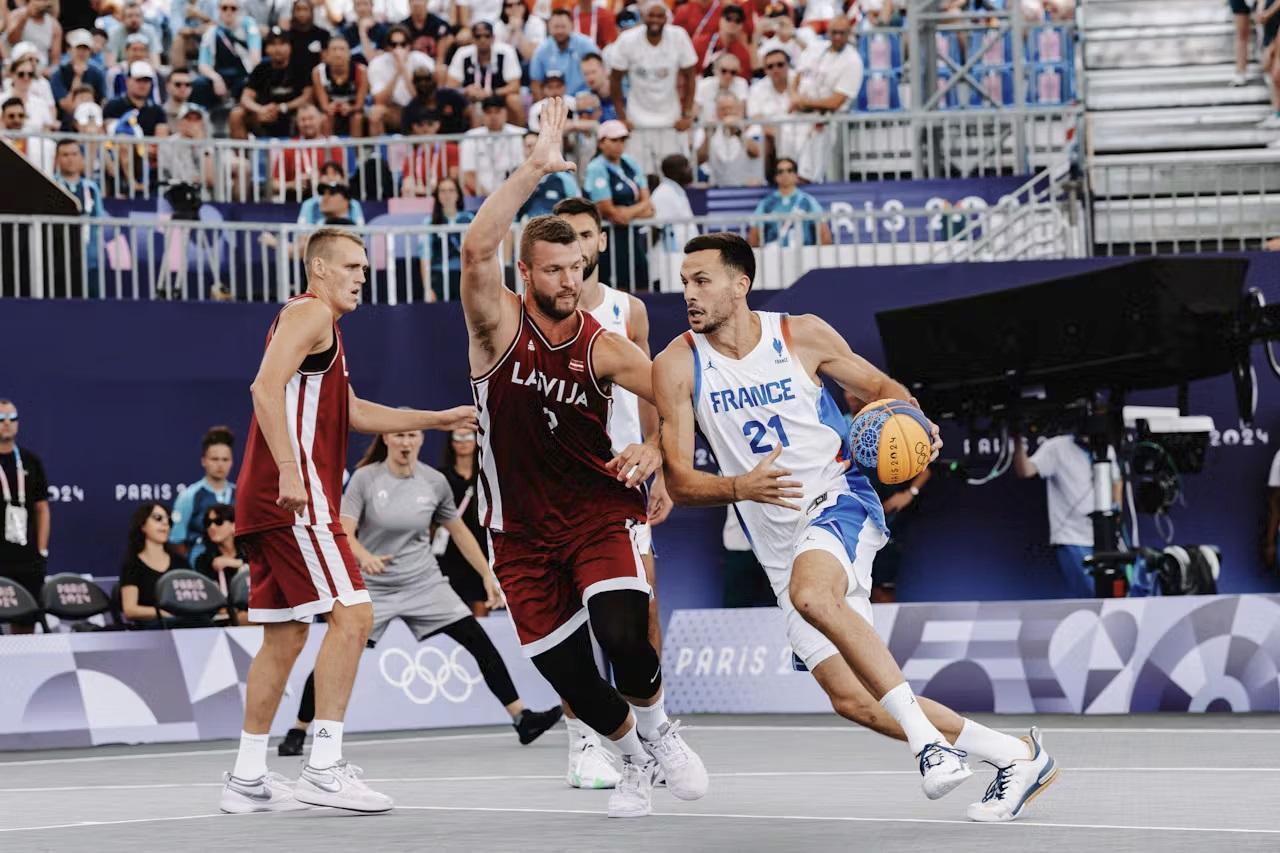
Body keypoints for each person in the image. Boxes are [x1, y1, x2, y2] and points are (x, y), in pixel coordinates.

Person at [652, 231, 1060, 823]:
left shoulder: (801, 334)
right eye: (684, 282)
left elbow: (883, 390)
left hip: (838, 498)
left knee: (812, 593)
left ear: (740, 285)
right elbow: (682, 482)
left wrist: (915, 422)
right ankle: (1018, 757)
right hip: (774, 537)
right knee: (855, 700)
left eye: (701, 280)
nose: (688, 292)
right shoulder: (677, 364)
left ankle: (930, 749)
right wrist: (740, 487)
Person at [458, 100, 706, 818]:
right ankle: (631, 758)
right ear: (527, 272)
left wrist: (658, 446)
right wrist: (533, 166)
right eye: (555, 269)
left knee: (626, 633)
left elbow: (673, 388)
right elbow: (477, 250)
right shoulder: (495, 324)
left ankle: (660, 734)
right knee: (566, 671)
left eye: (578, 266)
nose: (570, 280)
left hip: (597, 512)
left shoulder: (600, 341)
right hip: (520, 532)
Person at [219, 225, 477, 815]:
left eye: (365, 267)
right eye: (353, 266)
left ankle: (247, 777)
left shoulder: (321, 331)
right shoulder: (311, 314)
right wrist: (289, 469)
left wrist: (435, 419)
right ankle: (324, 766)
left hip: (267, 503)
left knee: (283, 639)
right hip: (296, 497)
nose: (363, 275)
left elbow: (353, 412)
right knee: (356, 614)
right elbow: (263, 387)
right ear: (320, 270)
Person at [276, 429, 564, 757]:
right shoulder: (365, 479)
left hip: (424, 582)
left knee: (477, 638)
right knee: (339, 654)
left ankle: (521, 718)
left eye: (412, 435)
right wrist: (365, 557)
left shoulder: (433, 482)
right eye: (398, 435)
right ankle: (299, 729)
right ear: (386, 440)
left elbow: (459, 532)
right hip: (374, 587)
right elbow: (344, 531)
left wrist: (488, 575)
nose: (405, 442)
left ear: (421, 441)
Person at [554, 194, 671, 655]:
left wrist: (658, 462)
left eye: (585, 235)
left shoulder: (629, 310)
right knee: (566, 614)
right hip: (558, 478)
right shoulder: (532, 314)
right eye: (566, 237)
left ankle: (652, 723)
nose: (577, 247)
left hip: (621, 476)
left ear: (602, 240)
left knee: (643, 606)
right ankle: (582, 730)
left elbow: (651, 394)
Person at [1013, 429, 1121, 599]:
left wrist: (1117, 509)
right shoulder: (1055, 447)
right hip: (1071, 537)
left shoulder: (1105, 447)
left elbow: (1116, 480)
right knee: (1092, 596)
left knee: (1117, 594)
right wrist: (1017, 440)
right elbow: (1025, 471)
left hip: (1105, 537)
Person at [608, 0, 698, 177]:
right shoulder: (627, 40)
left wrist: (687, 114)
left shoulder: (679, 36)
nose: (655, 20)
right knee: (640, 175)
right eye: (651, 15)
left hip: (670, 119)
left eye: (659, 15)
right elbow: (614, 79)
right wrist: (622, 117)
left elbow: (690, 76)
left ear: (666, 18)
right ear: (643, 17)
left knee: (672, 175)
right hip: (637, 120)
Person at [787, 15, 862, 181]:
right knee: (786, 167)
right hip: (798, 116)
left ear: (849, 33)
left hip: (827, 121)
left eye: (842, 33)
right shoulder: (815, 48)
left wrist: (803, 102)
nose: (837, 37)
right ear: (828, 32)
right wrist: (794, 97)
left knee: (809, 174)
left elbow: (836, 101)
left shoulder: (853, 61)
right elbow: (797, 76)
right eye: (834, 32)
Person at [582, 119, 652, 291]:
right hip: (609, 239)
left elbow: (649, 205)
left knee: (641, 281)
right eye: (614, 140)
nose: (619, 145)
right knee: (615, 288)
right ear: (601, 142)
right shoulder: (596, 167)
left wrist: (627, 212)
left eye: (622, 140)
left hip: (631, 235)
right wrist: (636, 210)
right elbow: (609, 210)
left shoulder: (630, 162)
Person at [0, 399, 50, 636]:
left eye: (12, 418)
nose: (7, 424)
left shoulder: (31, 461)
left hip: (27, 558)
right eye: (1, 419)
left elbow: (42, 509)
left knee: (26, 621)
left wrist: (41, 550)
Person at [435, 429, 490, 614]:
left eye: (468, 437)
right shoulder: (440, 477)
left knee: (482, 601)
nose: (463, 442)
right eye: (458, 437)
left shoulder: (487, 476)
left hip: (481, 548)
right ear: (451, 442)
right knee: (449, 606)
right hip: (448, 549)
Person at [170, 425, 237, 566]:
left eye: (225, 460)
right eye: (214, 459)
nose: (220, 465)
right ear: (203, 461)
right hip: (200, 570)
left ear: (232, 462)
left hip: (237, 566)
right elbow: (176, 540)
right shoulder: (189, 496)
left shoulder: (240, 494)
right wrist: (194, 565)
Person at [229, 26, 313, 139]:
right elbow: (245, 98)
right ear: (267, 48)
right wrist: (260, 109)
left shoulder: (300, 67)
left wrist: (283, 107)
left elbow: (307, 97)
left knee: (311, 115)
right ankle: (241, 156)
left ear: (289, 46)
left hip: (293, 114)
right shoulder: (261, 69)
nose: (277, 48)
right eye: (273, 44)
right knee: (237, 114)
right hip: (264, 115)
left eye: (282, 44)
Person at [118, 503, 192, 628]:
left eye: (168, 520)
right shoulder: (133, 564)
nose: (165, 523)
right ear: (142, 525)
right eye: (158, 518)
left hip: (184, 624)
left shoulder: (180, 562)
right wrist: (162, 614)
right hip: (151, 629)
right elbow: (130, 609)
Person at [365, 25, 436, 136]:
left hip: (419, 108)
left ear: (409, 45)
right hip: (395, 110)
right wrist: (397, 72)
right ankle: (380, 153)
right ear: (388, 47)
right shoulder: (377, 64)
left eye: (403, 44)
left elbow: (419, 96)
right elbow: (380, 100)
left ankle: (428, 151)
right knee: (375, 112)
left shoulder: (421, 60)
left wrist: (403, 68)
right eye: (394, 45)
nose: (398, 49)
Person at [447, 20, 523, 122]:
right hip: (472, 99)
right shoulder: (462, 54)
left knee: (514, 100)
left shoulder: (506, 52)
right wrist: (466, 91)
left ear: (493, 38)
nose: (482, 40)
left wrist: (491, 93)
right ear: (472, 39)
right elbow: (451, 87)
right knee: (462, 105)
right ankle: (471, 137)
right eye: (478, 37)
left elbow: (515, 86)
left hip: (498, 98)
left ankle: (520, 135)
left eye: (487, 36)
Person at [747, 157, 832, 247]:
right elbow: (754, 235)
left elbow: (824, 232)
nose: (785, 174)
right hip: (773, 256)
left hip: (804, 255)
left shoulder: (807, 201)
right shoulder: (766, 204)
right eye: (780, 171)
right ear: (775, 177)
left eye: (789, 170)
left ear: (796, 175)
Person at [418, 175, 474, 300]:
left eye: (451, 190)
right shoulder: (429, 222)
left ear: (458, 194)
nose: (447, 195)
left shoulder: (469, 219)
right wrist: (427, 289)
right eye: (442, 191)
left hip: (465, 276)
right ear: (437, 196)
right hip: (439, 277)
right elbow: (425, 257)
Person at [196, 0, 261, 106]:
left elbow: (255, 57)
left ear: (239, 10)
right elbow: (203, 64)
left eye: (233, 8)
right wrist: (216, 78)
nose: (229, 11)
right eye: (224, 8)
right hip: (220, 74)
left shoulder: (248, 25)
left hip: (243, 74)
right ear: (219, 10)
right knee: (199, 84)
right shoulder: (211, 31)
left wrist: (253, 76)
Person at [459, 94, 524, 195]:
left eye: (497, 111)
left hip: (516, 194)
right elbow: (468, 174)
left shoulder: (520, 134)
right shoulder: (471, 137)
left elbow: (524, 169)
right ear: (483, 114)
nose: (493, 116)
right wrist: (490, 198)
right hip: (481, 196)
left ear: (505, 112)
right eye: (488, 112)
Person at [695, 92, 763, 187]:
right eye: (722, 109)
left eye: (730, 108)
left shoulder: (752, 128)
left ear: (739, 110)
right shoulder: (709, 130)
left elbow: (756, 153)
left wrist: (738, 133)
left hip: (747, 188)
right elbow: (699, 160)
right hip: (718, 189)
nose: (727, 112)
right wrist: (708, 137)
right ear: (716, 112)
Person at [648, 152, 695, 292]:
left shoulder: (676, 190)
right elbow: (656, 228)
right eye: (686, 166)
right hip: (666, 264)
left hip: (680, 260)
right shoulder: (664, 193)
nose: (690, 170)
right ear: (676, 171)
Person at [529, 8, 595, 99]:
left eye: (563, 27)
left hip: (584, 97)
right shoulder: (541, 51)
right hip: (553, 100)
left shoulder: (586, 44)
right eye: (556, 27)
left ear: (571, 26)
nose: (560, 31)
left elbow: (599, 73)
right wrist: (543, 105)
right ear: (549, 27)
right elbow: (536, 83)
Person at [518, 131, 579, 219]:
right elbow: (512, 217)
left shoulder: (563, 178)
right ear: (523, 150)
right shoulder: (517, 181)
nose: (532, 149)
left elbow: (577, 207)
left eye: (535, 146)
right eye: (528, 146)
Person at [194, 502, 247, 598]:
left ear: (234, 525)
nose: (212, 527)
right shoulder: (203, 561)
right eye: (208, 523)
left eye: (219, 521)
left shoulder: (251, 554)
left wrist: (237, 563)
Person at [52, 30, 107, 117]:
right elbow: (67, 107)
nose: (82, 52)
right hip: (66, 120)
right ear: (69, 50)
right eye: (78, 48)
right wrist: (78, 76)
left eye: (85, 49)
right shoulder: (59, 74)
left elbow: (103, 101)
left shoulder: (97, 73)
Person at [691, 3, 751, 79]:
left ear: (742, 25)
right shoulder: (701, 42)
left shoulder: (743, 53)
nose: (732, 23)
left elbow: (742, 81)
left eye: (737, 20)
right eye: (728, 18)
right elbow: (689, 70)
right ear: (720, 20)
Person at [694, 52, 748, 124]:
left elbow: (741, 113)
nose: (728, 75)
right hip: (707, 128)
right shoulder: (703, 85)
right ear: (715, 70)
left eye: (733, 72)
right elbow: (694, 111)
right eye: (724, 71)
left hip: (732, 127)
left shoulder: (741, 83)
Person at [285, 0, 330, 72]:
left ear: (311, 12)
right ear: (293, 12)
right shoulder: (287, 35)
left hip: (315, 78)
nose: (302, 13)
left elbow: (325, 62)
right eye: (298, 9)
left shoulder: (323, 34)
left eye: (305, 9)